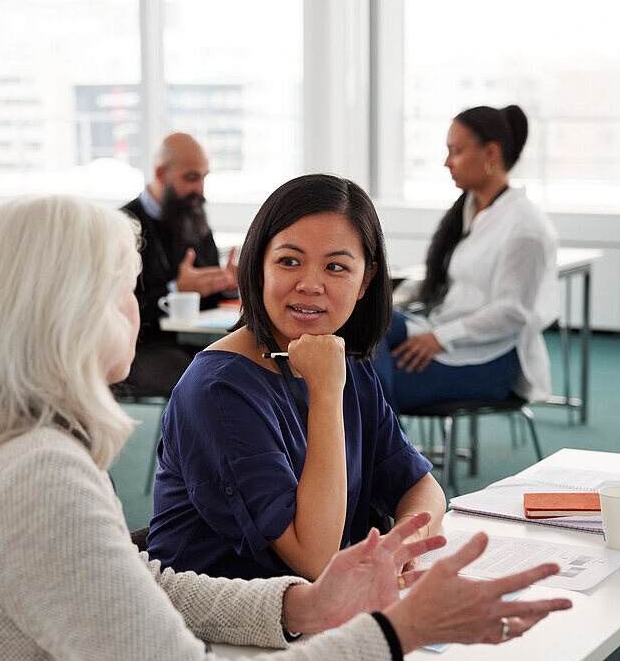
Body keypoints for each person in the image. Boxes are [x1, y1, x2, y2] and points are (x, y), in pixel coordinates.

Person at [0, 194, 571, 661]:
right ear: (68, 310)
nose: (139, 309)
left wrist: (305, 604)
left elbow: (141, 585)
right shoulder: (36, 473)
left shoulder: (20, 435)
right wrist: (405, 631)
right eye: (125, 291)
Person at [147, 174, 447, 582]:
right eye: (289, 261)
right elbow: (314, 557)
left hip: (320, 614)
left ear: (366, 281)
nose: (310, 284)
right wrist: (325, 392)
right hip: (228, 629)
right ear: (258, 268)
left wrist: (406, 543)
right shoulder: (219, 388)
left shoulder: (345, 362)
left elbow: (421, 487)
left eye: (336, 267)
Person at [372, 105, 559, 412]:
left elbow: (512, 313)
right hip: (447, 335)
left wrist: (440, 337)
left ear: (491, 153)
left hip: (491, 360)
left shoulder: (525, 227)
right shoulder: (471, 210)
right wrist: (395, 295)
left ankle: (384, 456)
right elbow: (448, 280)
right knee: (367, 319)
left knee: (364, 371)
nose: (447, 162)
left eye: (455, 151)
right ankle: (386, 454)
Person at [118, 132, 236, 397]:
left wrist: (229, 285)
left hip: (193, 343)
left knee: (242, 367)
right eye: (191, 178)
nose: (200, 190)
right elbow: (114, 309)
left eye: (204, 178)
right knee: (199, 380)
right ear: (161, 175)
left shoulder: (193, 215)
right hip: (141, 348)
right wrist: (174, 290)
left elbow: (209, 293)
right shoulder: (122, 226)